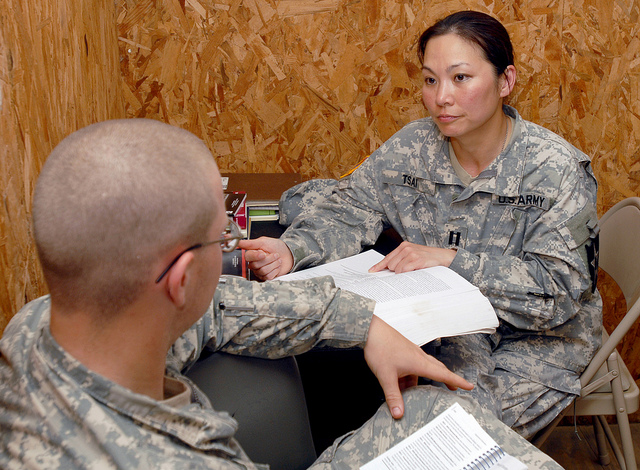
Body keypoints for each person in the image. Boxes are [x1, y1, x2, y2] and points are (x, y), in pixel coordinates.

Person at [0, 119, 563, 468]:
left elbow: (218, 307)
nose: (231, 251)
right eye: (222, 240)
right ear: (178, 279)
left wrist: (362, 322)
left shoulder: (34, 329)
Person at [240, 10, 602, 439]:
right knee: (362, 403)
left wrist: (450, 260)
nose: (441, 98)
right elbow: (350, 206)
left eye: (461, 78)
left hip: (535, 341)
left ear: (505, 81)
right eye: (431, 80)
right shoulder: (414, 147)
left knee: (447, 435)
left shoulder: (556, 170)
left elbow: (556, 291)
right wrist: (293, 250)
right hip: (445, 328)